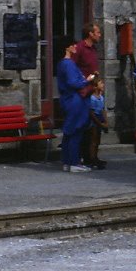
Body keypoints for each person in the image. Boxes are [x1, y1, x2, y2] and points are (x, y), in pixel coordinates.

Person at [55, 35, 92, 173]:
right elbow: (73, 82)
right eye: (73, 45)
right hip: (74, 99)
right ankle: (74, 161)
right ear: (67, 47)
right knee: (76, 130)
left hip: (67, 99)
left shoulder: (61, 63)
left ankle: (67, 161)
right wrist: (87, 80)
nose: (76, 46)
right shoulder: (68, 63)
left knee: (69, 131)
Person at [84, 73, 108, 169]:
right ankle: (92, 159)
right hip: (94, 121)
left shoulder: (101, 97)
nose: (103, 85)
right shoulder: (92, 98)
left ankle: (95, 157)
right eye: (101, 83)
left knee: (97, 140)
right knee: (93, 140)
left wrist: (106, 122)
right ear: (95, 86)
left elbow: (102, 110)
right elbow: (91, 113)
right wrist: (99, 123)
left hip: (100, 120)